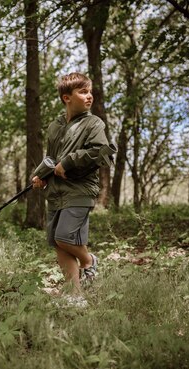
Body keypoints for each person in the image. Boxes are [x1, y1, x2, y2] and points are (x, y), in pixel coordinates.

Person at [31, 72, 115, 295]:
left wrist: (68, 162)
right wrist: (41, 175)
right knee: (57, 243)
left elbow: (101, 152)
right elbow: (51, 158)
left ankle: (89, 261)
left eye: (90, 92)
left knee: (64, 236)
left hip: (80, 190)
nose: (89, 96)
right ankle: (74, 295)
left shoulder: (93, 123)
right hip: (56, 192)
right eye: (83, 92)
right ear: (67, 98)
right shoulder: (55, 126)